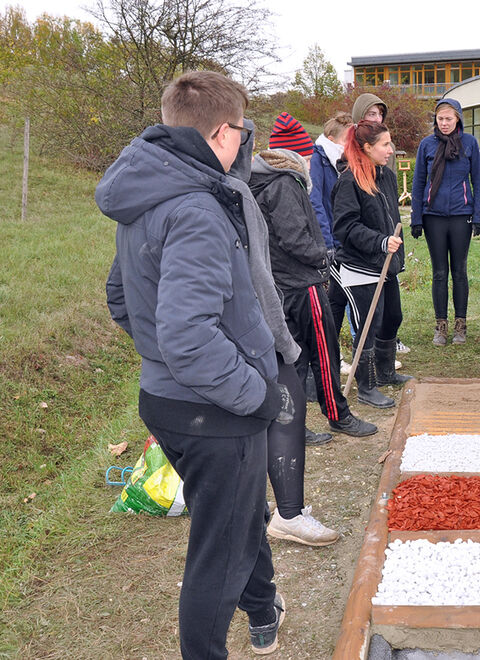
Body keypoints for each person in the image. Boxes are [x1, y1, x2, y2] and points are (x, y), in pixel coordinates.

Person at [99, 70, 287, 657]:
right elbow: (187, 338)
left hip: (169, 401)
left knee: (237, 513)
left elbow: (121, 298)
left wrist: (158, 354)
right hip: (215, 412)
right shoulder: (196, 209)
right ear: (224, 133)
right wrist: (254, 393)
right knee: (218, 555)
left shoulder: (151, 191)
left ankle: (261, 608)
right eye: (243, 131)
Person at [228, 119, 340, 547]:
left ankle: (275, 510)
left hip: (266, 301)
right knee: (294, 381)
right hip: (286, 293)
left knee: (278, 394)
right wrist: (322, 258)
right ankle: (288, 512)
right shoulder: (278, 186)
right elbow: (284, 247)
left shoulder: (249, 184)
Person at [249, 112, 376, 438]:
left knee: (293, 357)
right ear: (293, 154)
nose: (309, 161)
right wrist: (324, 257)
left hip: (279, 284)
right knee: (324, 353)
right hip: (302, 284)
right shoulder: (285, 183)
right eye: (305, 154)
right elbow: (294, 238)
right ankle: (339, 415)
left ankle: (292, 425)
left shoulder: (259, 180)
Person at [331, 120, 408, 408]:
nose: (391, 150)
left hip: (385, 263)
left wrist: (392, 252)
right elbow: (345, 228)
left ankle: (387, 372)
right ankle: (366, 387)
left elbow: (389, 216)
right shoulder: (349, 181)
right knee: (368, 326)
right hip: (359, 265)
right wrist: (378, 242)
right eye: (385, 144)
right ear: (366, 147)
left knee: (393, 317)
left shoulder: (385, 176)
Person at [410, 99, 480, 346]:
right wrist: (416, 217)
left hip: (461, 215)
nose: (444, 124)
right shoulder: (426, 145)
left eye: (449, 119)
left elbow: (478, 181)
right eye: (440, 119)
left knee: (459, 271)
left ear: (458, 120)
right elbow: (419, 181)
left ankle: (460, 326)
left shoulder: (470, 144)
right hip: (434, 216)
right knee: (439, 272)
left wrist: (479, 215)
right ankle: (440, 326)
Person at [311, 111, 353, 258]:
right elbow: (315, 201)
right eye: (345, 140)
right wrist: (327, 242)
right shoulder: (318, 160)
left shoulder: (346, 161)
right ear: (331, 139)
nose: (349, 145)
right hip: (331, 237)